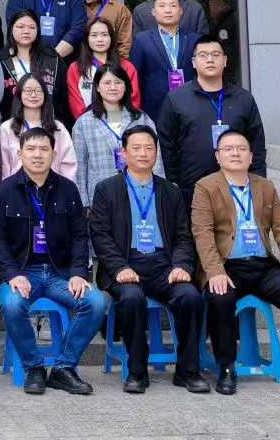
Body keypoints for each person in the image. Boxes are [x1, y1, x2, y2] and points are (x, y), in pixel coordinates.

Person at [192, 129, 280, 395]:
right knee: (220, 298)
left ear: (251, 156)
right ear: (218, 156)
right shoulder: (205, 187)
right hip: (227, 266)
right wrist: (215, 271)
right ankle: (226, 367)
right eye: (228, 149)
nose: (235, 153)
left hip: (262, 266)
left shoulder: (265, 187)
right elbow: (202, 233)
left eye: (241, 149)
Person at [87, 127, 208, 394]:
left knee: (189, 296)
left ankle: (188, 371)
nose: (143, 153)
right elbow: (100, 235)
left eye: (149, 148)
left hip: (163, 264)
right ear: (123, 153)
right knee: (131, 298)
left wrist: (181, 266)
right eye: (136, 148)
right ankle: (137, 372)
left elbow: (183, 236)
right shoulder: (106, 189)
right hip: (125, 263)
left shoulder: (170, 191)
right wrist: (119, 267)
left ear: (156, 152)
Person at [0, 127, 108, 395]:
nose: (37, 155)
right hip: (22, 272)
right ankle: (34, 367)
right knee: (12, 304)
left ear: (54, 154)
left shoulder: (67, 189)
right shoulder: (4, 191)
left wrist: (79, 273)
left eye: (44, 149)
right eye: (31, 149)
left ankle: (64, 368)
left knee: (96, 302)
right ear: (19, 153)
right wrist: (12, 274)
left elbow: (80, 235)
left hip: (60, 274)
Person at [159, 36, 267, 209]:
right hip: (190, 190)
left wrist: (259, 180)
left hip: (238, 188)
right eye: (203, 55)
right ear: (194, 62)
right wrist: (172, 183)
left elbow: (257, 143)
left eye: (215, 54)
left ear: (225, 60)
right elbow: (167, 144)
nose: (210, 59)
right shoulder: (176, 99)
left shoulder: (243, 99)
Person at [72, 63, 160, 205]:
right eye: (107, 83)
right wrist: (84, 203)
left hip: (140, 194)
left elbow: (156, 159)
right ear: (97, 87)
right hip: (101, 196)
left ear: (125, 87)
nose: (113, 87)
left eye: (118, 82)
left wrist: (159, 193)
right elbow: (80, 167)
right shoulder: (83, 123)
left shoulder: (141, 118)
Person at [129, 0, 198, 132]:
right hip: (154, 110)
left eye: (173, 6)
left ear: (180, 11)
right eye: (162, 6)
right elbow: (135, 77)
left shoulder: (195, 39)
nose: (168, 10)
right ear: (153, 12)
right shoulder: (141, 40)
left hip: (191, 107)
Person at [0, 74, 76, 181]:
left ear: (45, 95)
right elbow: (4, 166)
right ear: (19, 94)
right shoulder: (7, 128)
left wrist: (64, 188)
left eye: (38, 91)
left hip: (53, 187)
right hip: (17, 187)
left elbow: (68, 164)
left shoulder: (58, 128)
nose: (33, 95)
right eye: (28, 91)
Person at [67, 17, 141, 119]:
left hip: (122, 123)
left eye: (105, 35)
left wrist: (114, 121)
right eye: (94, 35)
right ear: (87, 38)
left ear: (111, 37)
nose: (100, 39)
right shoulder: (76, 68)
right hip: (88, 124)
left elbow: (133, 100)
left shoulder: (126, 66)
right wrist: (95, 123)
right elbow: (76, 104)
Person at [0, 10, 65, 123]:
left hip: (48, 122)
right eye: (20, 27)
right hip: (11, 123)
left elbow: (63, 95)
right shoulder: (0, 59)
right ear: (11, 29)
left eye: (32, 27)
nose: (26, 31)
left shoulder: (51, 58)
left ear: (38, 30)